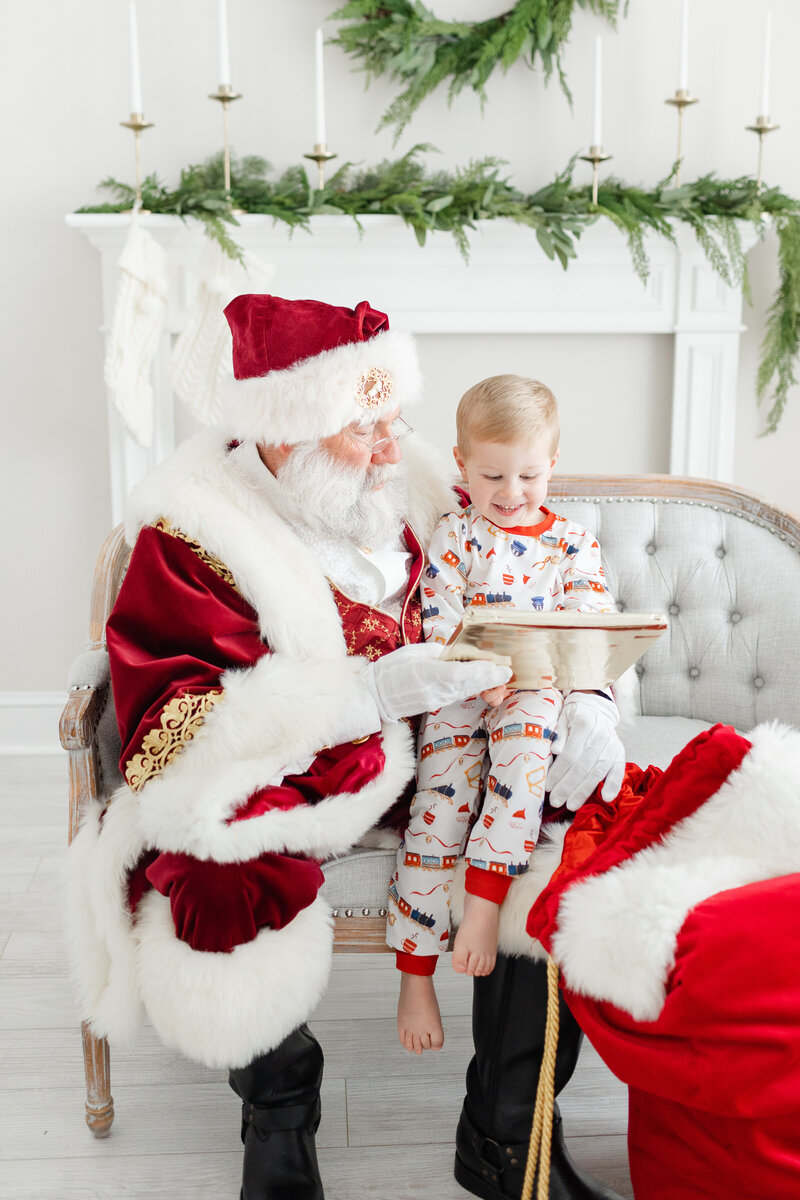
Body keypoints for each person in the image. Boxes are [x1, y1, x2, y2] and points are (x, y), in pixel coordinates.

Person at [65, 293, 626, 1200]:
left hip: (455, 749)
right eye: (365, 427)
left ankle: (509, 1133)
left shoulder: (419, 485)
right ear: (290, 431)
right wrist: (367, 694)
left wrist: (591, 696)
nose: (391, 446)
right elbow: (173, 728)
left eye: (391, 417)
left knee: (581, 835)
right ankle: (280, 1113)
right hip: (294, 768)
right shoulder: (192, 537)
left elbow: (549, 595)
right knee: (215, 870)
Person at [387, 375, 621, 1057]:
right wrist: (472, 671)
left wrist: (555, 676)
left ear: (552, 463)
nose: (511, 492)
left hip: (538, 690)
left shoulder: (573, 543)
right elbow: (439, 614)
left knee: (522, 777)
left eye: (527, 474)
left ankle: (483, 909)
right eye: (492, 475)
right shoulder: (455, 534)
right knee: (438, 809)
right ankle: (415, 975)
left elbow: (591, 617)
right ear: (461, 465)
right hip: (462, 692)